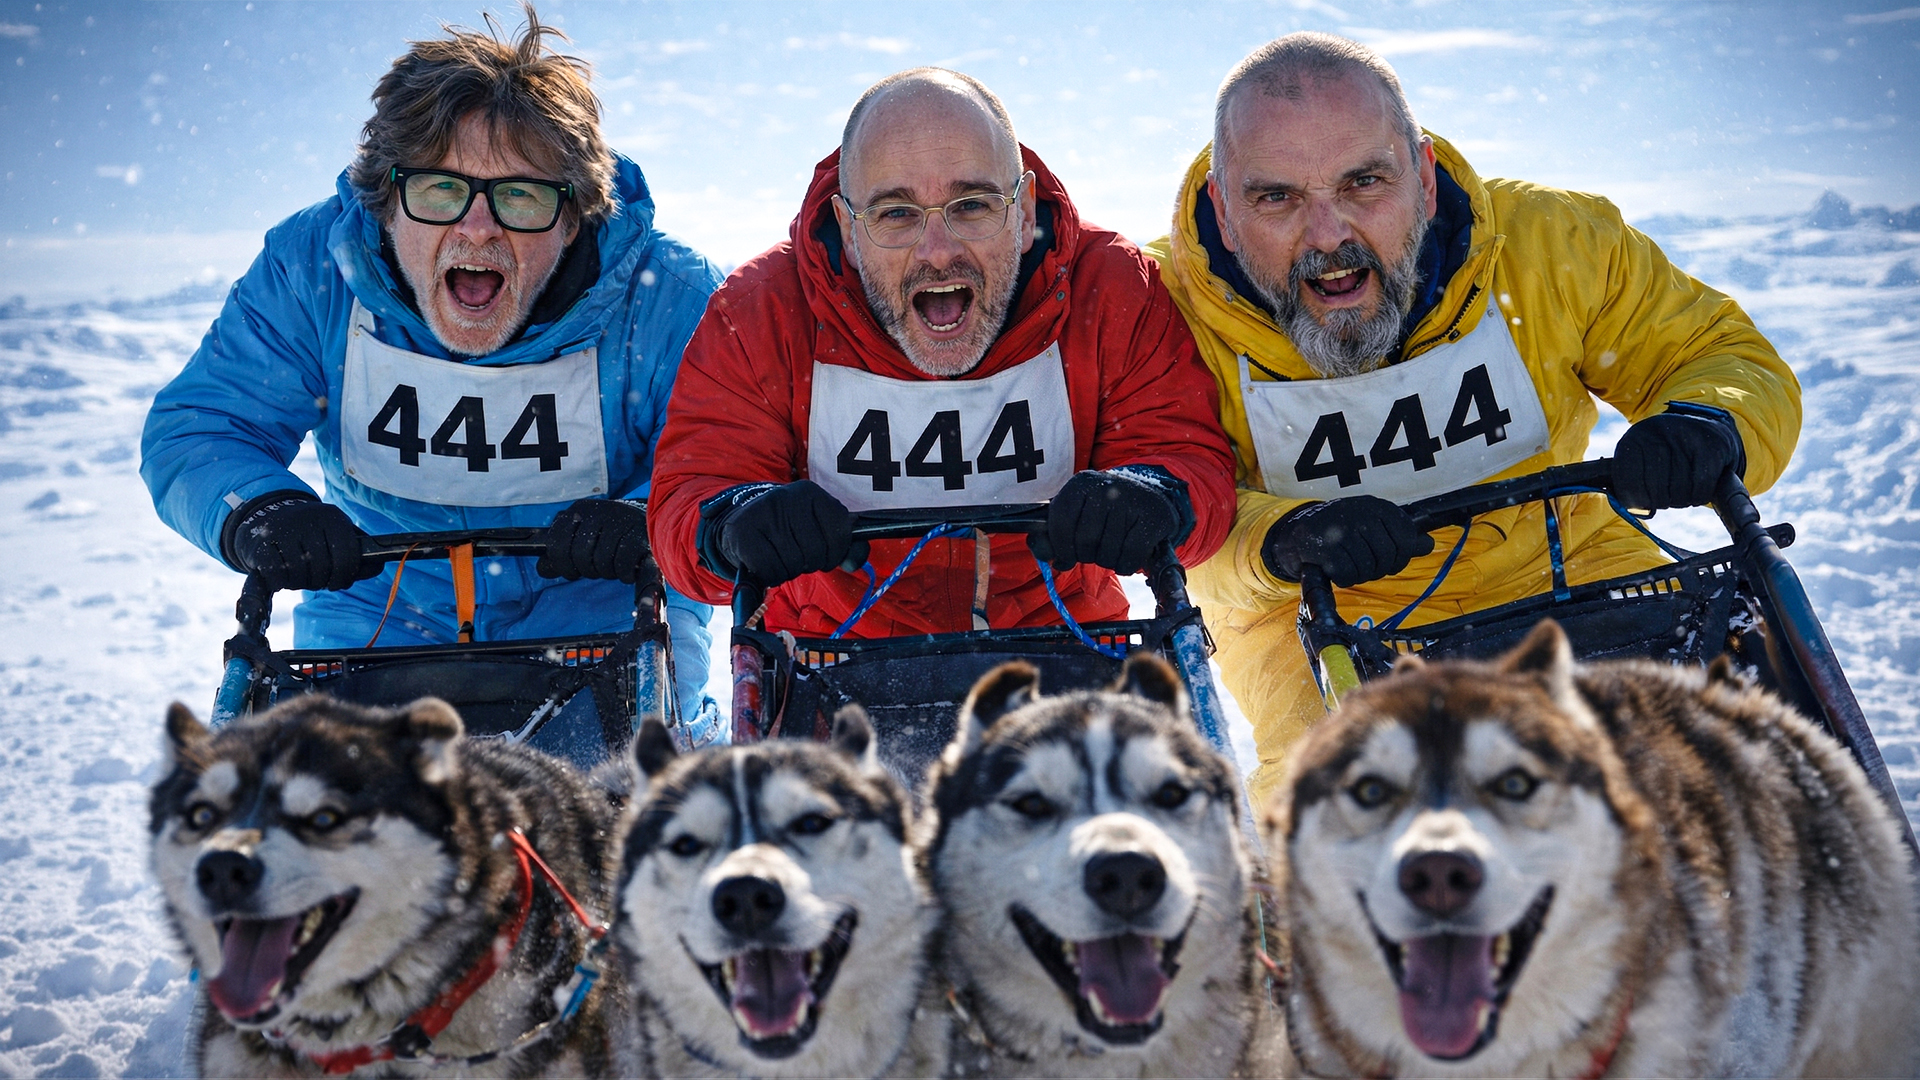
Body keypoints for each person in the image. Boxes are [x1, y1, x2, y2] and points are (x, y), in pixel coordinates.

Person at [1147, 33, 1801, 806]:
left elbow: (1714, 352)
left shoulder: (1546, 244)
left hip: (1572, 569)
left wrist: (1707, 424)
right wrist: (1283, 538)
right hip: (1317, 622)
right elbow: (1177, 505)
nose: (1328, 236)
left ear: (1423, 178)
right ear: (1222, 212)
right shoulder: (1164, 314)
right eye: (1277, 198)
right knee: (1338, 831)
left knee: (1759, 763)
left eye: (1364, 182)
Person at [141, 9, 723, 755]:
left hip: (606, 612)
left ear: (575, 217)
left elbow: (730, 457)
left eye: (519, 195)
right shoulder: (315, 272)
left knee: (632, 823)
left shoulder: (669, 296)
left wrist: (652, 515)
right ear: (385, 200)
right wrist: (263, 510)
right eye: (442, 190)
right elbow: (203, 426)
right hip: (375, 614)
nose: (478, 229)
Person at [649, 68, 1234, 649]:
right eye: (896, 214)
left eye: (972, 205)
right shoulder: (763, 312)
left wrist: (1150, 494)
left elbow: (1187, 458)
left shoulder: (1109, 288)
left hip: (1067, 647)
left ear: (1025, 209)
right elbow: (688, 500)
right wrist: (733, 523)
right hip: (830, 658)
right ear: (848, 229)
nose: (938, 251)